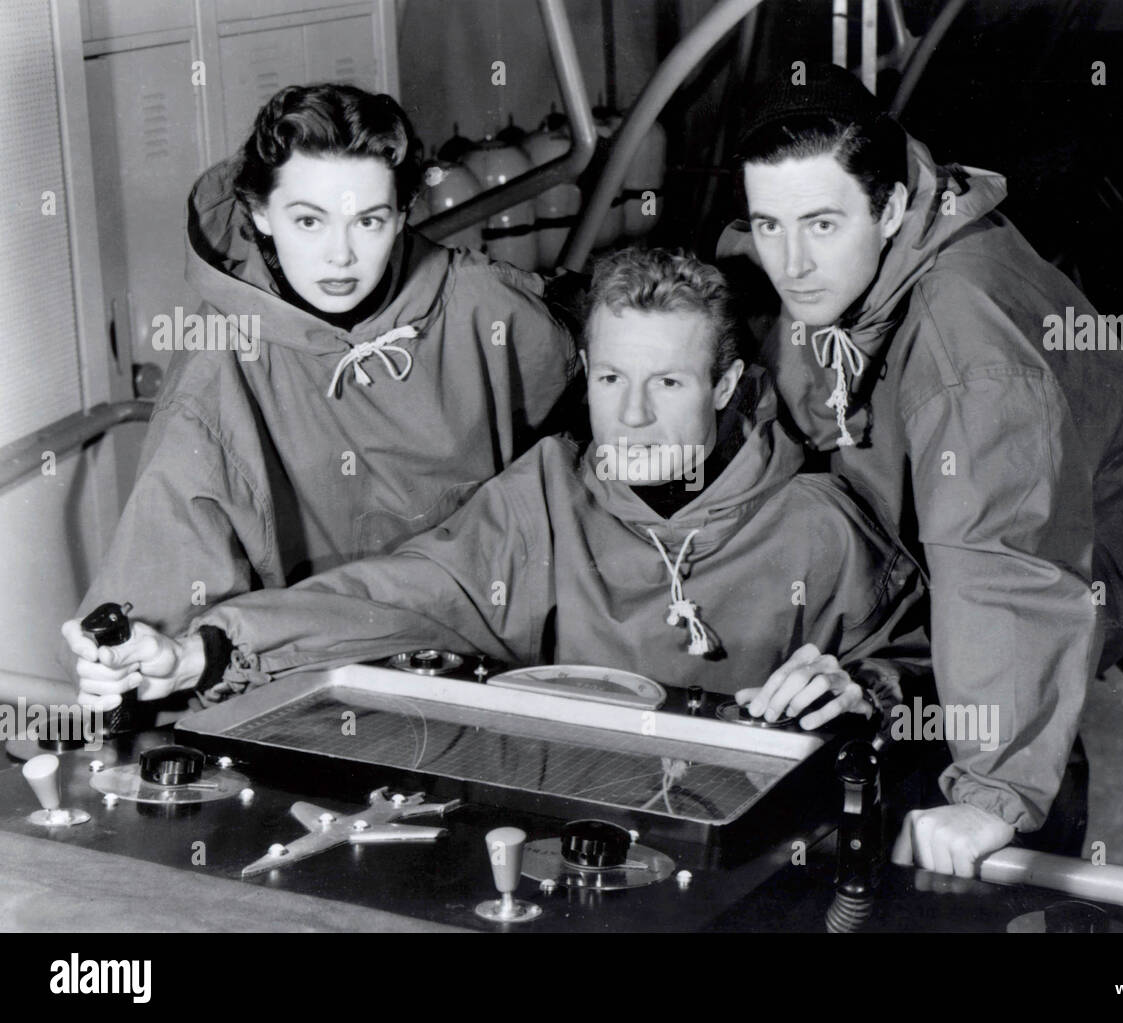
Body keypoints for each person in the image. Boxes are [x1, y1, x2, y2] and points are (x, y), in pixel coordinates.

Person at [64, 249, 923, 725]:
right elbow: (391, 595)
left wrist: (868, 690)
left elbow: (935, 668)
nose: (631, 415)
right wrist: (203, 648)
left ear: (728, 387)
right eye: (612, 380)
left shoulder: (820, 528)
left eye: (668, 385)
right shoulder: (544, 501)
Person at [720, 63, 1123, 876]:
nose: (791, 262)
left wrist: (992, 794)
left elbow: (1008, 555)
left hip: (1064, 562)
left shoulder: (968, 348)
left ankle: (1031, 799)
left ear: (890, 208)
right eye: (768, 225)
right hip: (962, 536)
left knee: (987, 833)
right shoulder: (889, 232)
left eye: (821, 225)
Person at [64, 84, 575, 698]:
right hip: (303, 686)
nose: (341, 256)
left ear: (406, 209)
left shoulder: (483, 305)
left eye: (369, 221)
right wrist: (131, 660)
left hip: (485, 670)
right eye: (308, 220)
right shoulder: (221, 361)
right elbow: (166, 585)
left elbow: (578, 476)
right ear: (258, 213)